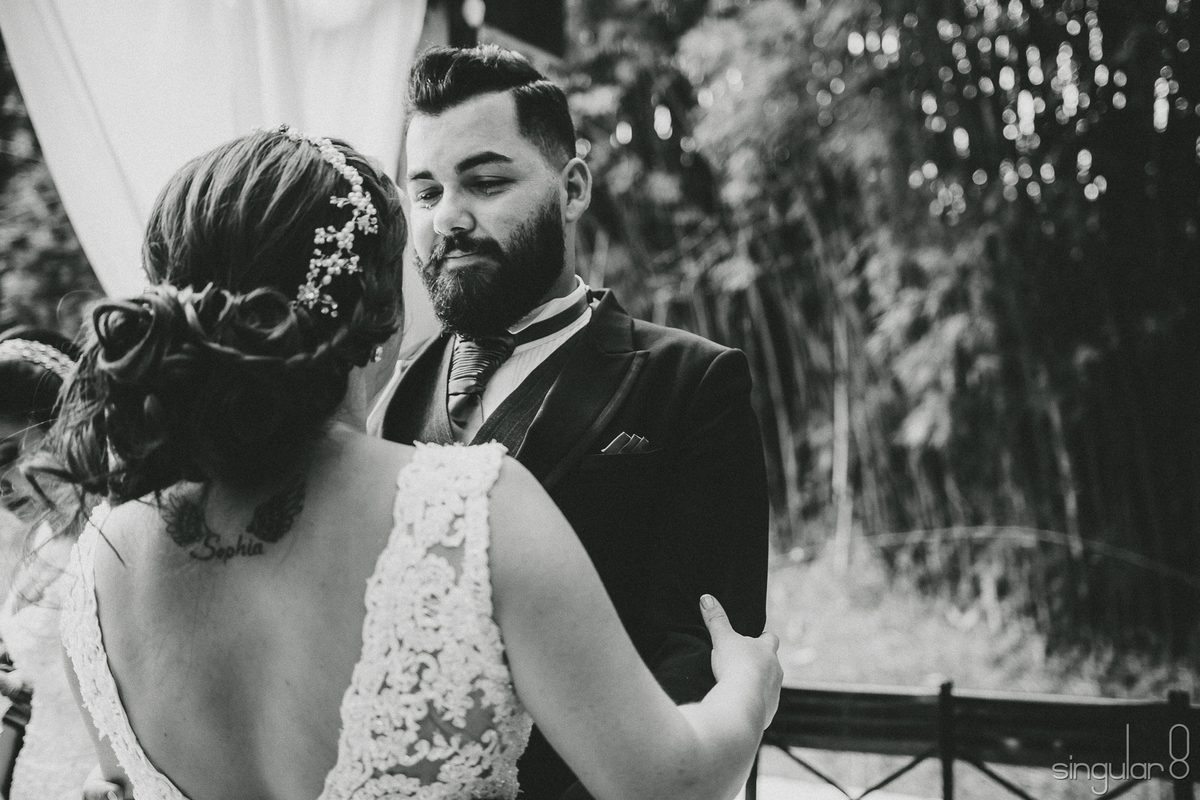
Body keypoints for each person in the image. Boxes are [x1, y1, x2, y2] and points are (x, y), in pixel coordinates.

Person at [39, 127, 781, 800]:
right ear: (381, 308)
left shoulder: (97, 560)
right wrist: (748, 692)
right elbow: (668, 785)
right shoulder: (470, 508)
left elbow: (117, 780)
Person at [369, 45, 771, 799]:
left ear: (574, 187)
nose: (449, 218)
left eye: (486, 182)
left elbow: (701, 652)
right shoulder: (392, 393)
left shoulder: (694, 383)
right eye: (424, 193)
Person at [0, 328, 96, 800]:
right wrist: (15, 683)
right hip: (41, 772)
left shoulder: (112, 542)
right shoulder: (39, 537)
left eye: (5, 456)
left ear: (63, 425)